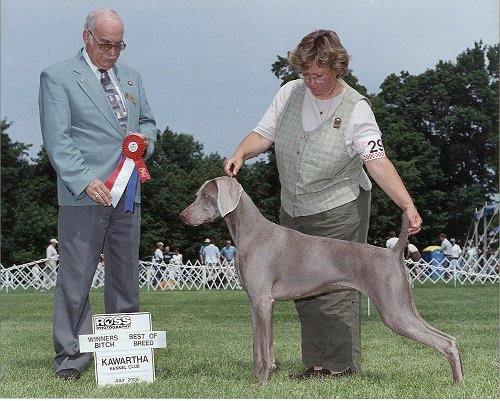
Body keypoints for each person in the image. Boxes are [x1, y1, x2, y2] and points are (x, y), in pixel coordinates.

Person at [223, 29, 422, 379]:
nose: (311, 82)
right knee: (305, 290)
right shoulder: (289, 93)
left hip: (339, 207)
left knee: (338, 287)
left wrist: (407, 205)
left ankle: (339, 366)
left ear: (337, 69)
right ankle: (316, 364)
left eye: (319, 75)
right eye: (306, 74)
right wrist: (242, 152)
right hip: (294, 207)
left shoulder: (356, 108)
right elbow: (264, 134)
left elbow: (375, 160)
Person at [39, 9, 157, 380]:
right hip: (84, 195)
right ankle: (71, 359)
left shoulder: (133, 78)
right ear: (86, 36)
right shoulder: (57, 77)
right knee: (75, 280)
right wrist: (84, 179)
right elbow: (57, 139)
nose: (112, 52)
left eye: (118, 45)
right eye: (105, 44)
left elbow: (148, 123)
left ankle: (124, 359)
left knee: (124, 278)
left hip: (128, 193)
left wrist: (146, 142)